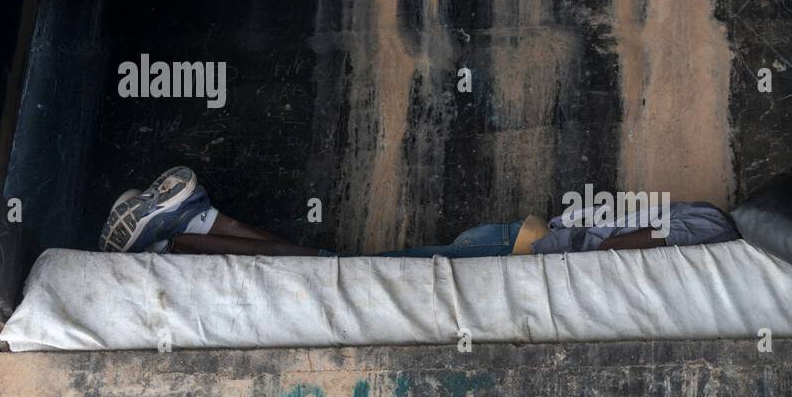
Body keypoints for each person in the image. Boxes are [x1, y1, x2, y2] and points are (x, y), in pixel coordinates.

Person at [98, 166, 740, 257]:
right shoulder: (720, 230)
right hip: (517, 254)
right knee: (333, 278)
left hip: (516, 247)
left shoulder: (716, 235)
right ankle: (182, 234)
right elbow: (625, 248)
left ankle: (196, 224)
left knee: (333, 273)